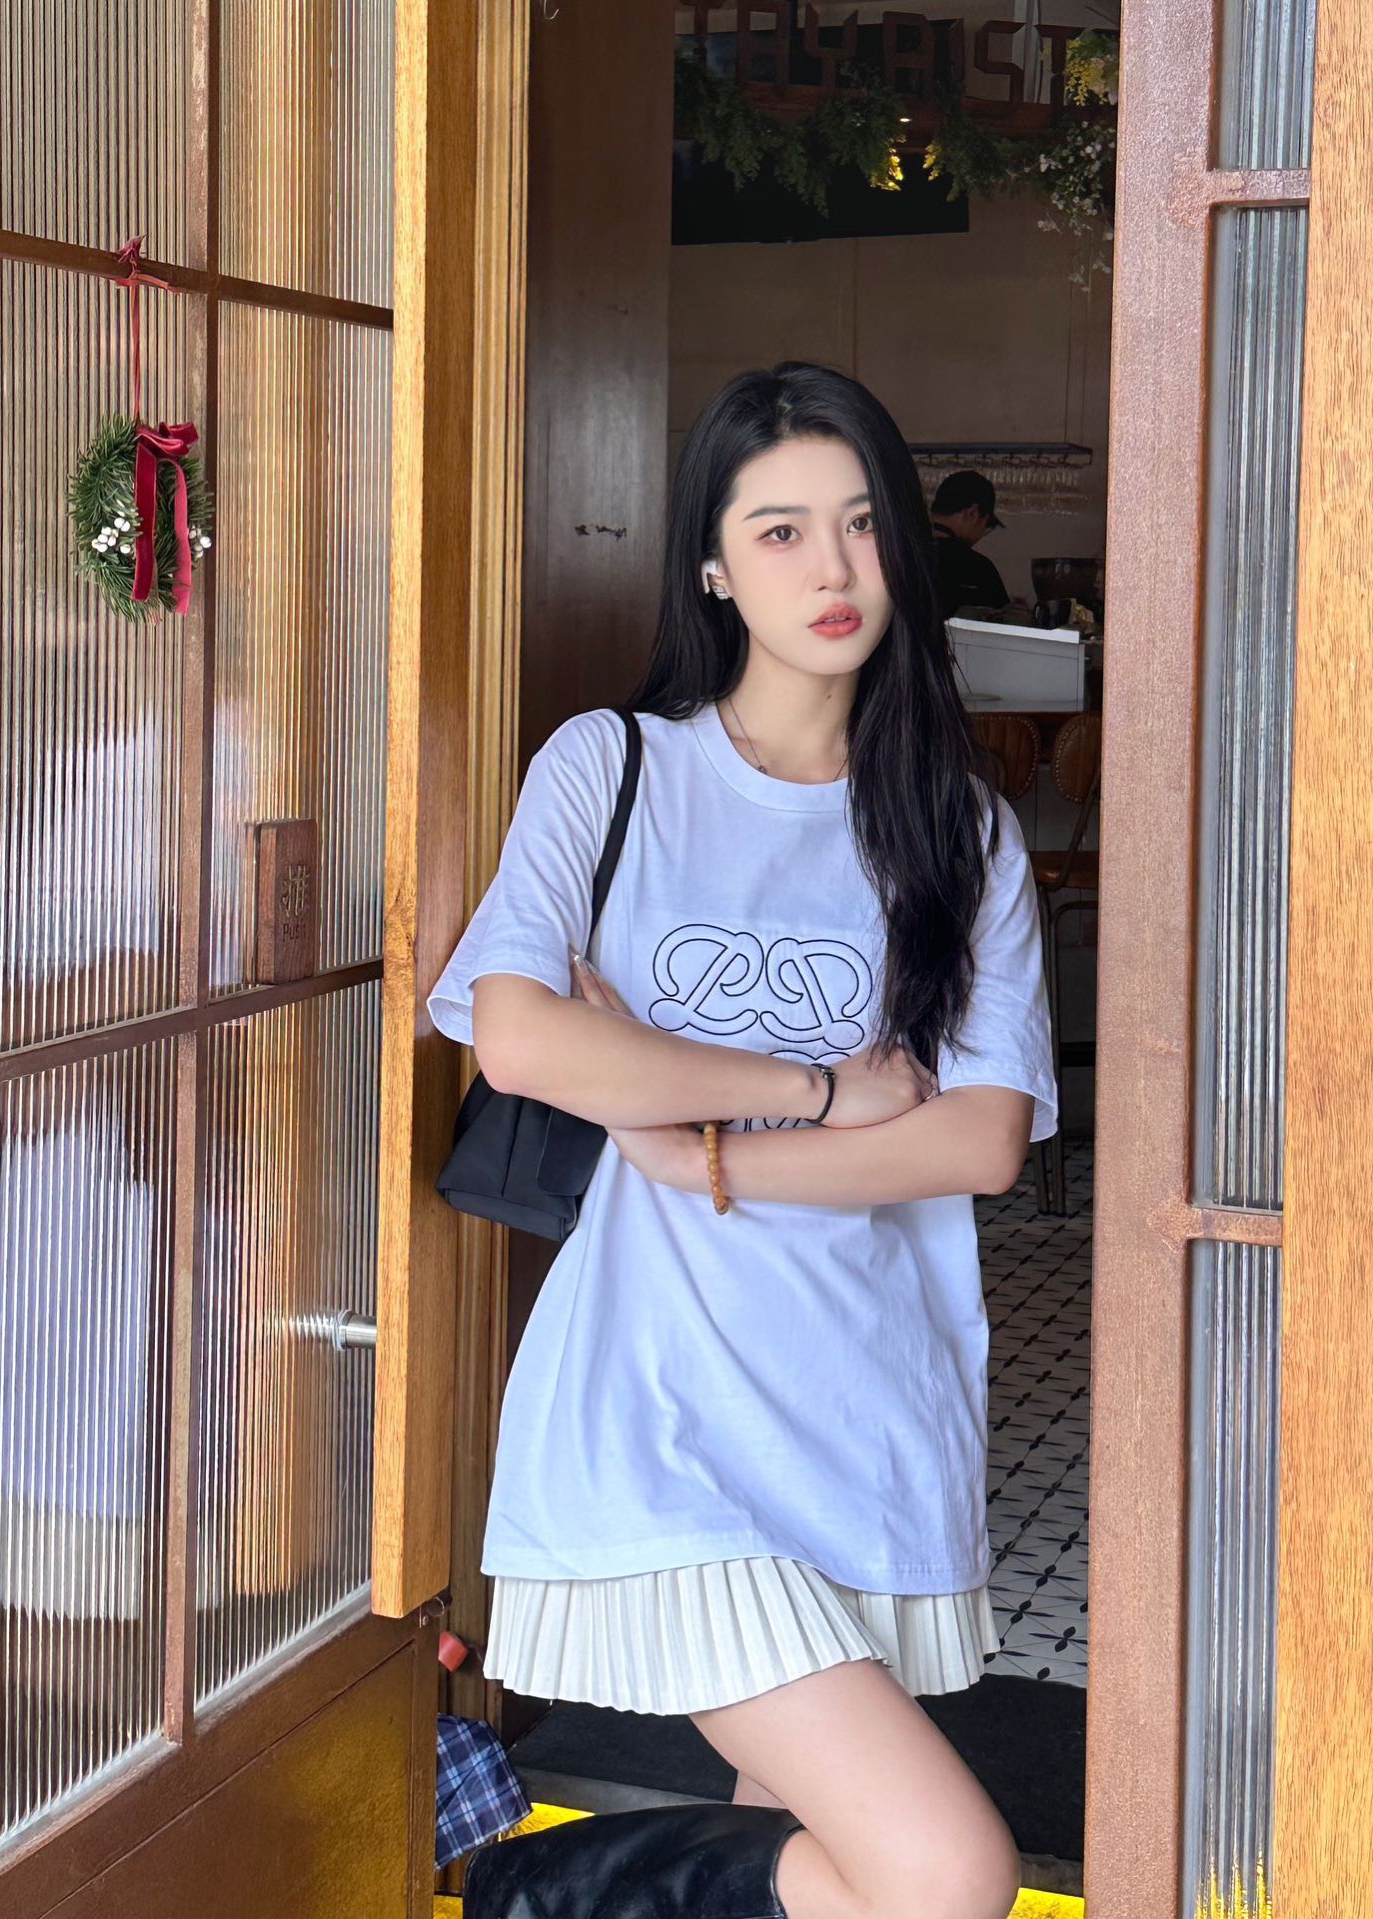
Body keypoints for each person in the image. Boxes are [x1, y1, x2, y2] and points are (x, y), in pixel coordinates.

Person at [428, 363, 1057, 1919]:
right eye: (779, 531)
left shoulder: (959, 827)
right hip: (660, 1421)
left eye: (861, 523)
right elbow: (522, 1036)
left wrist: (693, 1148)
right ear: (713, 563)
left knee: (835, 1871)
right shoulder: (615, 767)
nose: (831, 567)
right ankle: (544, 1892)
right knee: (945, 1869)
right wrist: (820, 1089)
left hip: (867, 1414)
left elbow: (981, 1138)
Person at [929, 468, 1010, 618]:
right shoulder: (979, 569)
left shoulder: (901, 554)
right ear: (972, 513)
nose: (982, 534)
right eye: (985, 525)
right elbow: (1001, 622)